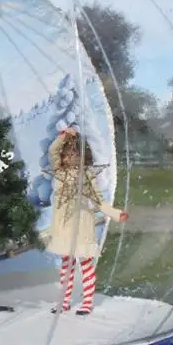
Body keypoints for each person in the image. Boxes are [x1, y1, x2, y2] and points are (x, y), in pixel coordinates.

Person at [45, 126, 128, 316]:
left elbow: (98, 200)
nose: (70, 157)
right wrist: (64, 136)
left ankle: (87, 301)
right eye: (67, 154)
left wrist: (116, 214)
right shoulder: (59, 171)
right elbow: (52, 151)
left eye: (74, 154)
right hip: (63, 226)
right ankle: (64, 301)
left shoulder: (87, 175)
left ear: (83, 155)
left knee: (85, 263)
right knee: (66, 265)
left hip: (82, 225)